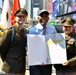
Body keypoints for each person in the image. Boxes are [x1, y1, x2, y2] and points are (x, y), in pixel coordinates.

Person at [28, 9, 57, 75]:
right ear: (38, 17)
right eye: (42, 16)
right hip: (35, 63)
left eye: (46, 16)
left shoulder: (52, 29)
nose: (44, 18)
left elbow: (56, 43)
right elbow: (29, 47)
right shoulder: (32, 30)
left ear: (48, 18)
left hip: (48, 62)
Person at [1, 8, 28, 75]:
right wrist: (7, 61)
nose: (22, 18)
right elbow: (2, 48)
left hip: (21, 66)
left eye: (23, 16)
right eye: (19, 16)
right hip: (11, 66)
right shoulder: (10, 31)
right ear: (15, 18)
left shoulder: (26, 32)